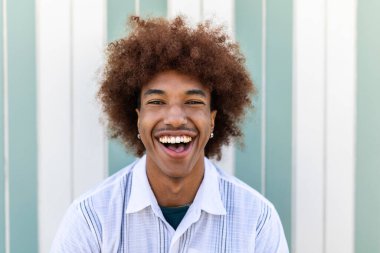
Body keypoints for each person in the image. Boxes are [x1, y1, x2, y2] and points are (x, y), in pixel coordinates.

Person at [51, 16, 289, 253]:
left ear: (213, 120)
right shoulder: (90, 220)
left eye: (193, 101)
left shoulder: (257, 220)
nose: (175, 118)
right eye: (157, 101)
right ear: (137, 119)